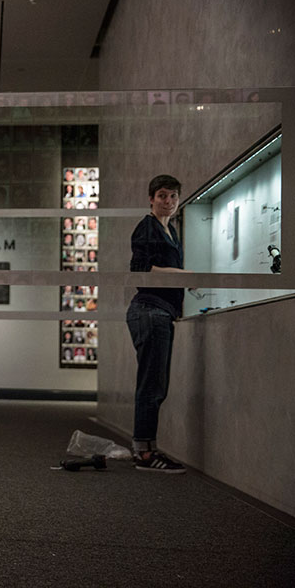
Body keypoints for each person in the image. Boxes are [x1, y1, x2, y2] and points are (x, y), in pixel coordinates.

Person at [126, 174, 188, 474]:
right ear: (151, 198)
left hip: (160, 311)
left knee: (156, 385)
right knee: (152, 385)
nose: (168, 201)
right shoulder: (147, 227)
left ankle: (147, 448)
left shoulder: (171, 230)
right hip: (149, 310)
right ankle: (144, 453)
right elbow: (139, 269)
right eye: (162, 195)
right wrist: (182, 275)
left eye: (173, 196)